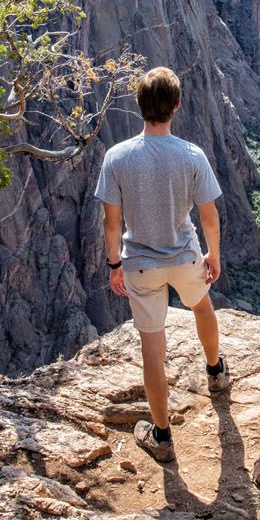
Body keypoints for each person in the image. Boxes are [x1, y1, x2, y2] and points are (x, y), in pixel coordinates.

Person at [94, 66, 231, 464]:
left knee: (152, 348)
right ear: (177, 106)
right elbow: (209, 217)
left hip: (139, 265)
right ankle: (216, 373)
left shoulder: (117, 157)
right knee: (202, 307)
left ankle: (162, 436)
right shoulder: (191, 155)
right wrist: (213, 255)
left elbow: (111, 222)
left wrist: (113, 264)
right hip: (186, 256)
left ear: (140, 107)